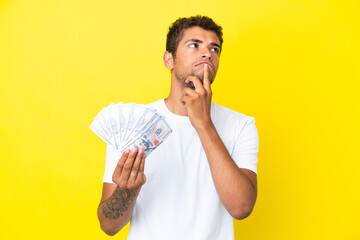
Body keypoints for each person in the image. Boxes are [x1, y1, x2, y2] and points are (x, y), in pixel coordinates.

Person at [97, 15, 259, 239]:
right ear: (169, 60)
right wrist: (128, 190)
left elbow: (241, 207)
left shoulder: (241, 125)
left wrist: (203, 123)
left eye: (214, 49)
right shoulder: (133, 125)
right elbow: (108, 226)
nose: (207, 54)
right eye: (194, 45)